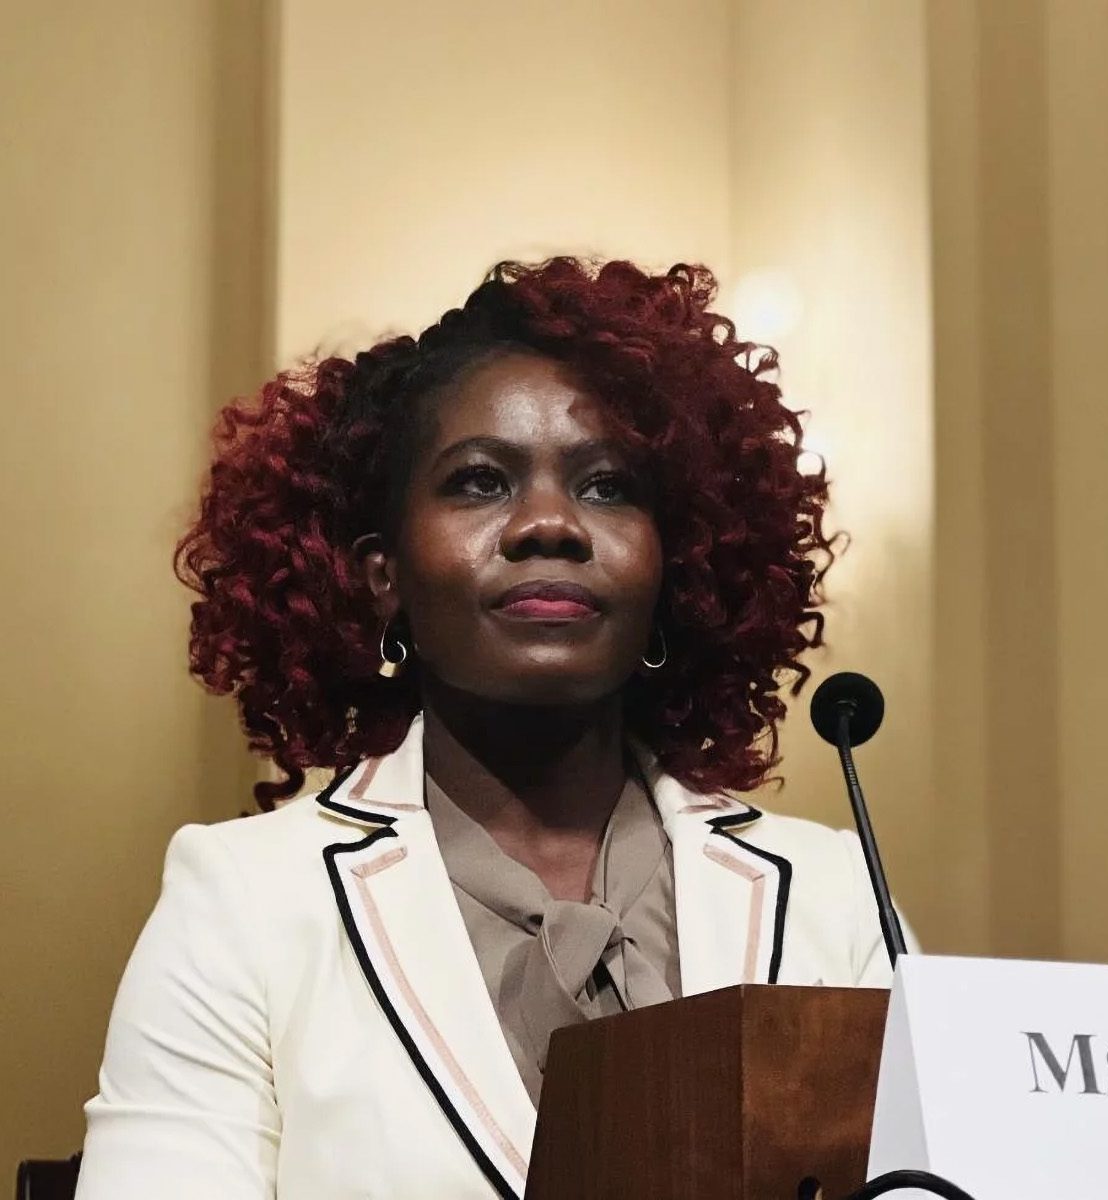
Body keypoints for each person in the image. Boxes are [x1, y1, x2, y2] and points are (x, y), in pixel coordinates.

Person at [75, 258, 896, 1199]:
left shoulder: (837, 898)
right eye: (478, 482)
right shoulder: (241, 906)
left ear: (677, 569)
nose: (549, 524)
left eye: (607, 486)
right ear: (382, 575)